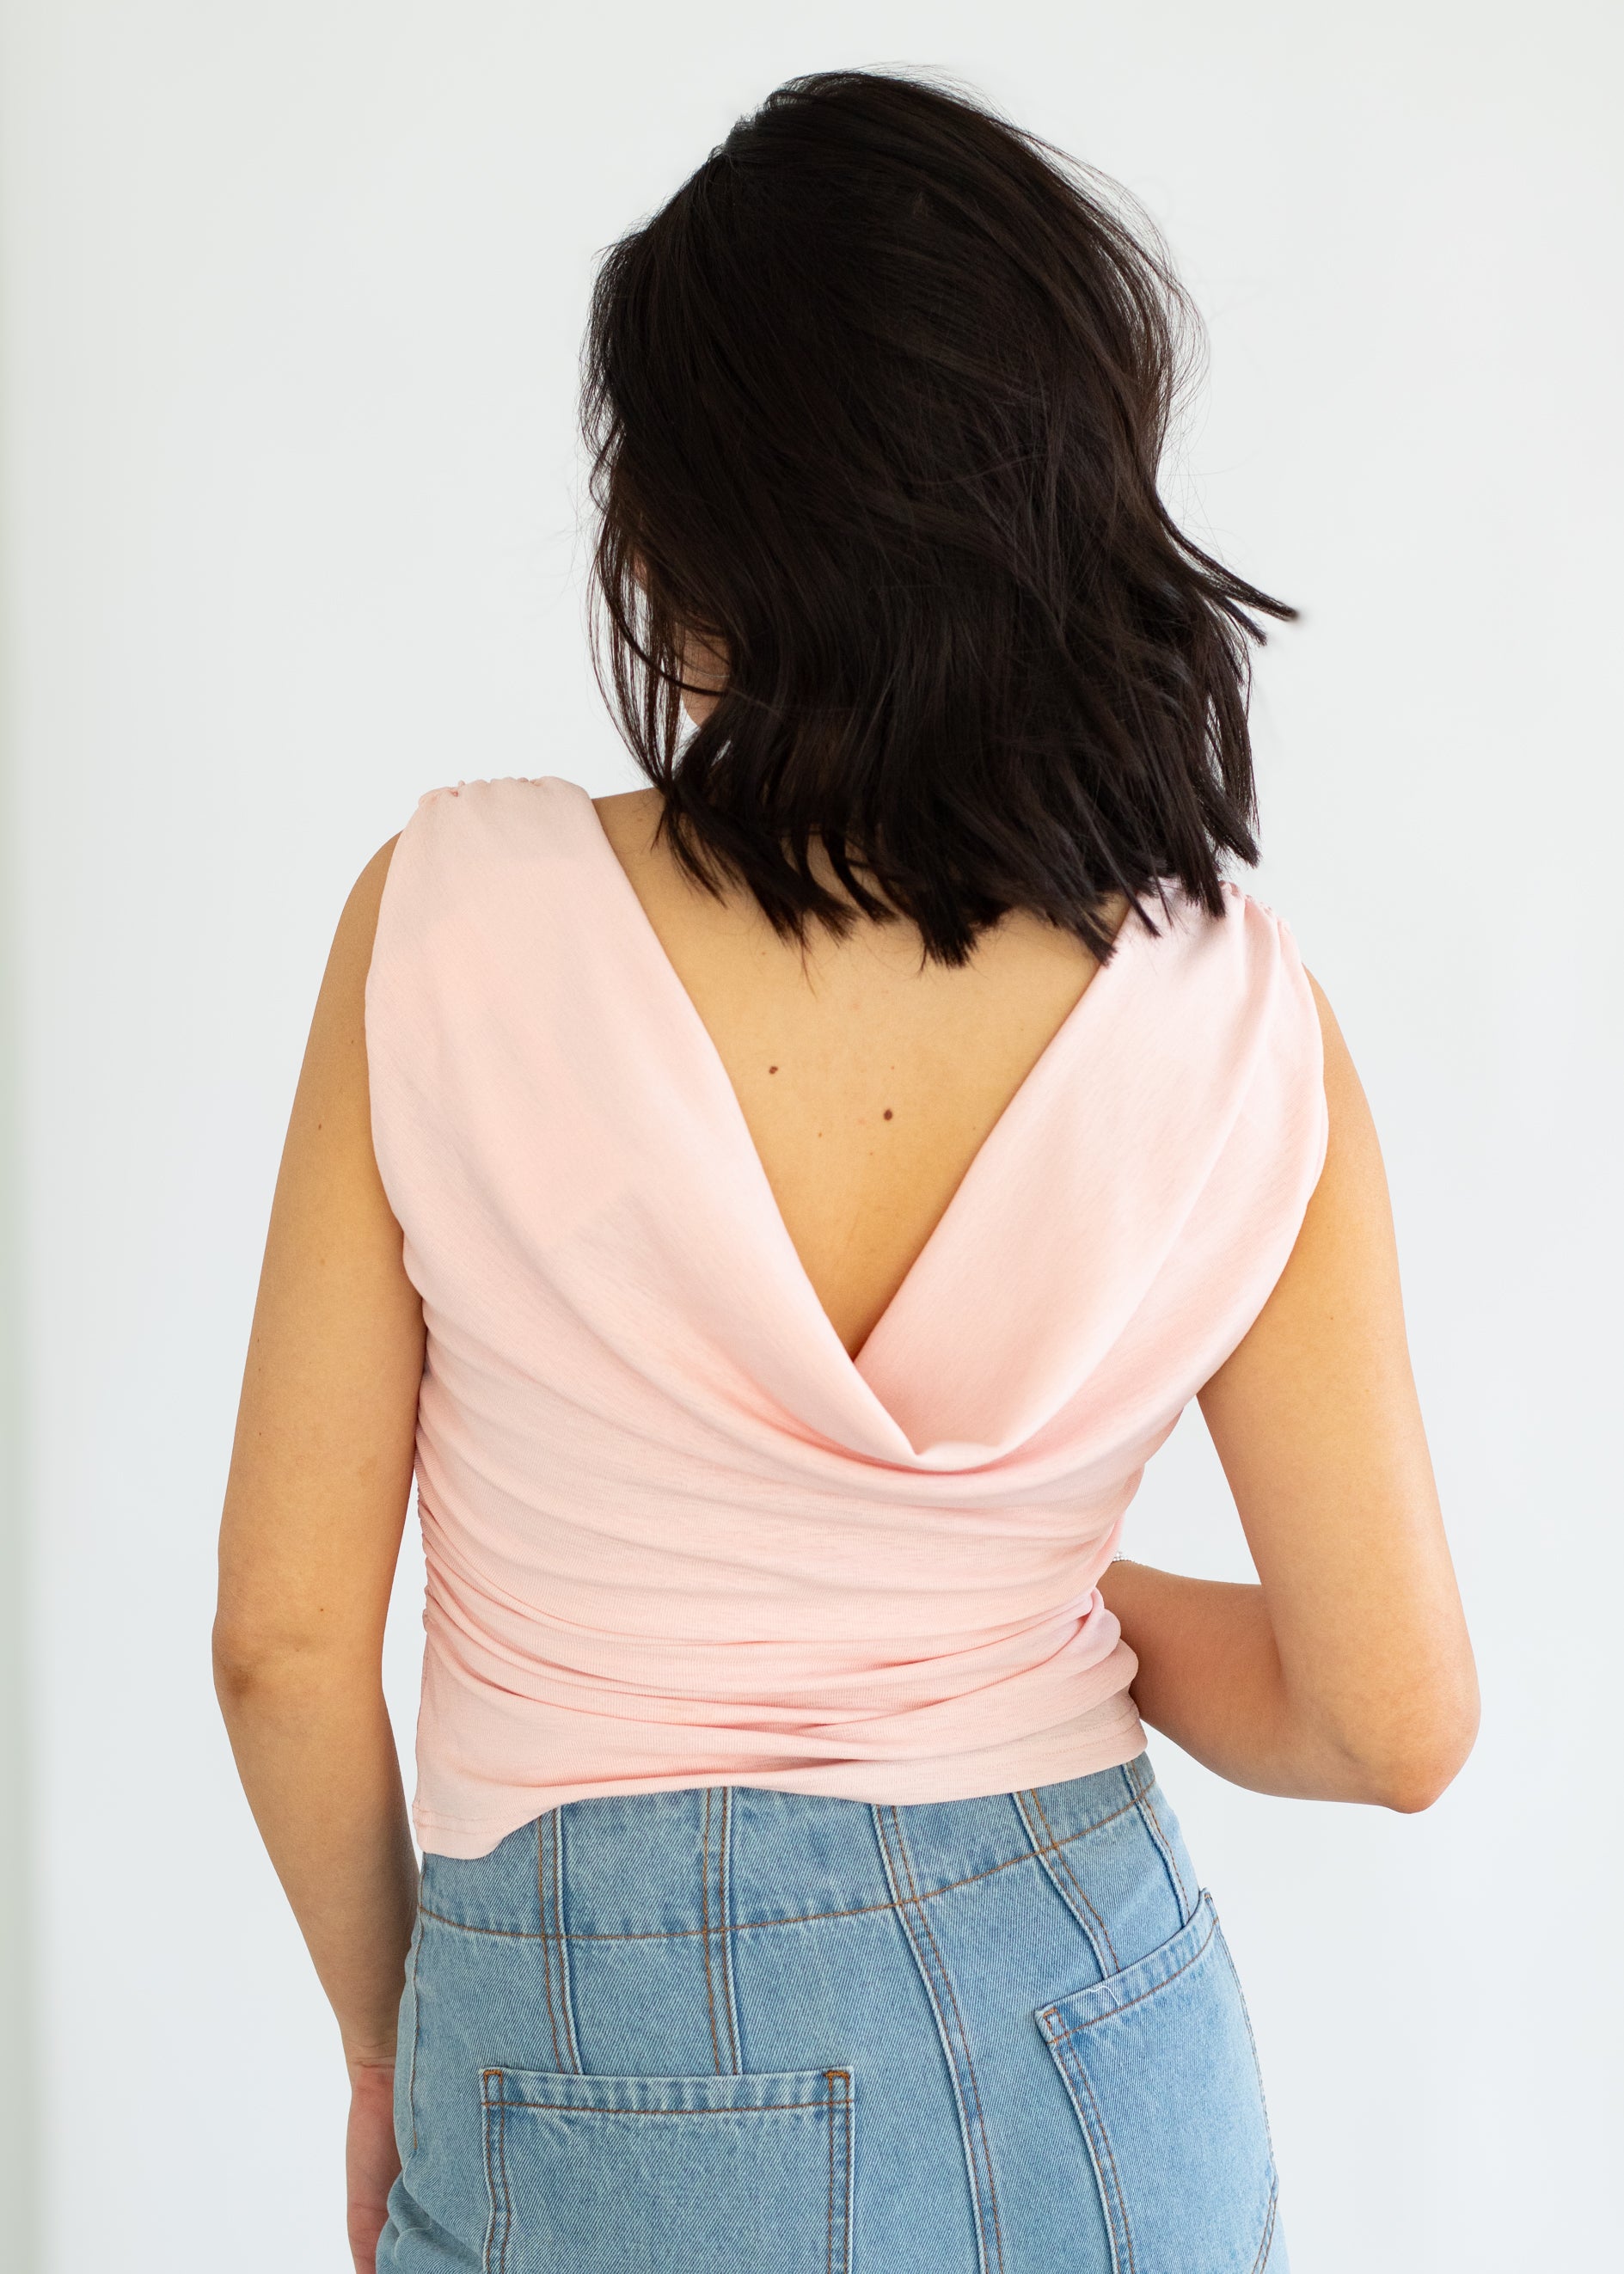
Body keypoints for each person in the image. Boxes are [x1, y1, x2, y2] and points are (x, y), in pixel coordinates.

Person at [213, 67, 1478, 2274]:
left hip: (602, 2068)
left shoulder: (448, 926)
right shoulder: (1239, 1022)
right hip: (1110, 2038)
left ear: (685, 541)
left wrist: (387, 2039)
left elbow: (282, 1645)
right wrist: (1048, 1609)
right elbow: (1394, 1721)